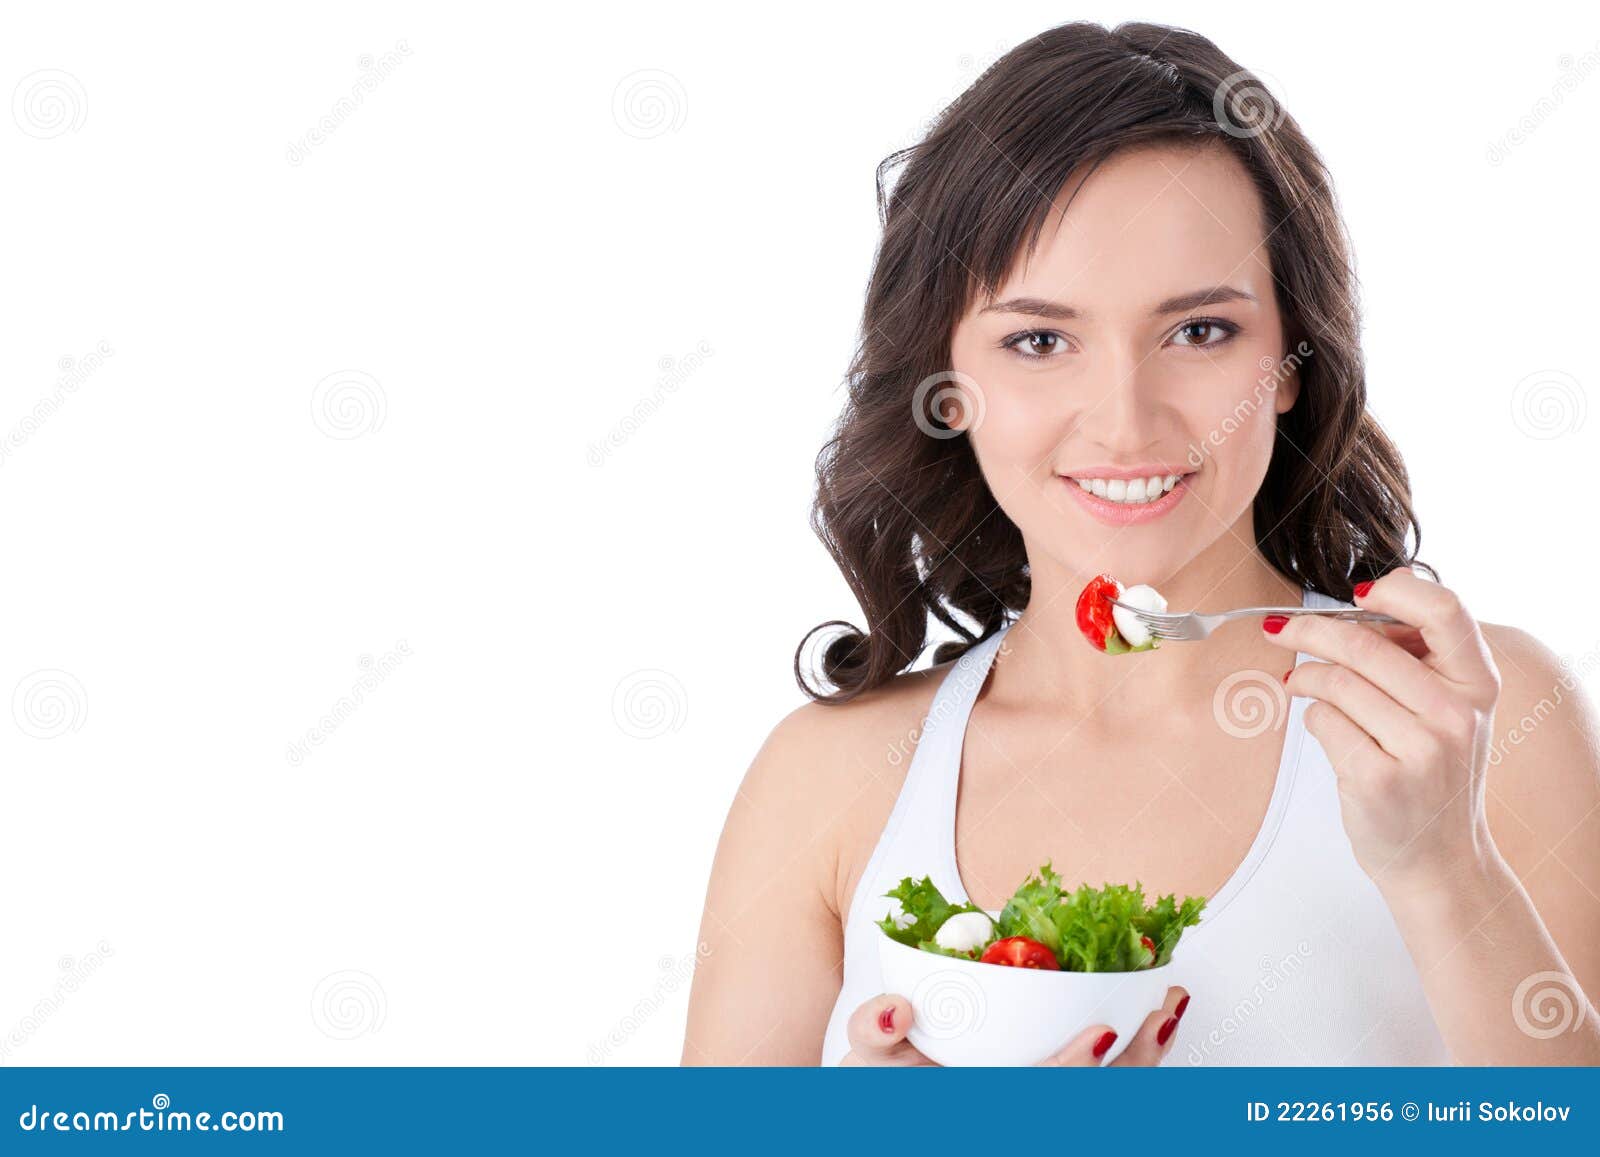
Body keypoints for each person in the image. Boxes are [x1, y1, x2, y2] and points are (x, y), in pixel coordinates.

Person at [682, 20, 1600, 1066]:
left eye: (1199, 331)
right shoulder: (827, 776)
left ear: (1293, 358)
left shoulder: (1472, 722)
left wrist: (1444, 861)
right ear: (947, 383)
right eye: (1039, 340)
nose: (1125, 420)